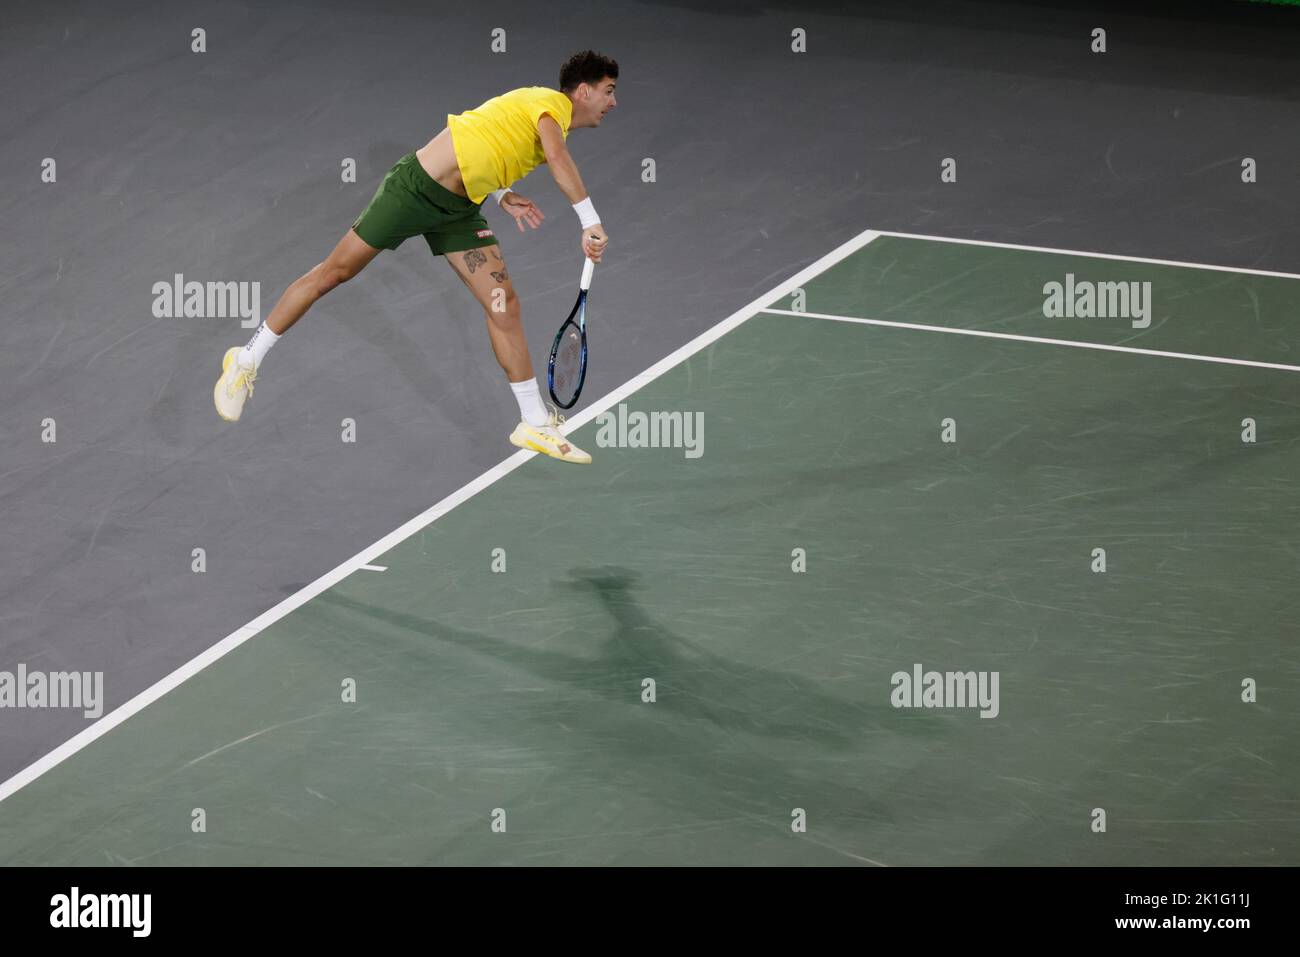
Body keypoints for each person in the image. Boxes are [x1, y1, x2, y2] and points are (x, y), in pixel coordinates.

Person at [214, 50, 618, 464]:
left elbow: (483, 137)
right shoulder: (549, 107)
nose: (613, 102)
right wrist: (589, 221)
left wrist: (501, 192)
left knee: (503, 304)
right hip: (413, 192)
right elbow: (556, 158)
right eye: (608, 91)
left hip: (458, 212)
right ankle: (244, 359)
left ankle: (532, 422)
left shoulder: (535, 114)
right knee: (333, 274)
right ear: (582, 91)